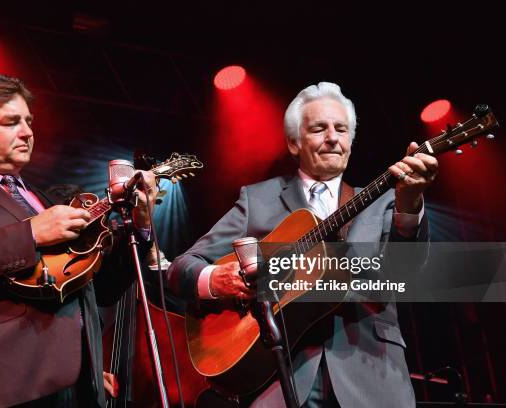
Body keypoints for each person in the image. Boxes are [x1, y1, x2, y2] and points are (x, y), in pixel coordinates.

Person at [167, 82, 438, 407]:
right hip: (279, 378)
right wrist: (217, 280)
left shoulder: (385, 202)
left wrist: (410, 203)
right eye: (319, 129)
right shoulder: (258, 199)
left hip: (372, 376)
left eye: (342, 129)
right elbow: (181, 268)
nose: (333, 138)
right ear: (294, 143)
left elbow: (406, 274)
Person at [0, 72, 157, 407]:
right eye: (11, 122)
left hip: (79, 388)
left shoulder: (49, 202)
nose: (27, 132)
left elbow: (103, 290)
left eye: (28, 121)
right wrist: (31, 233)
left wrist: (141, 224)